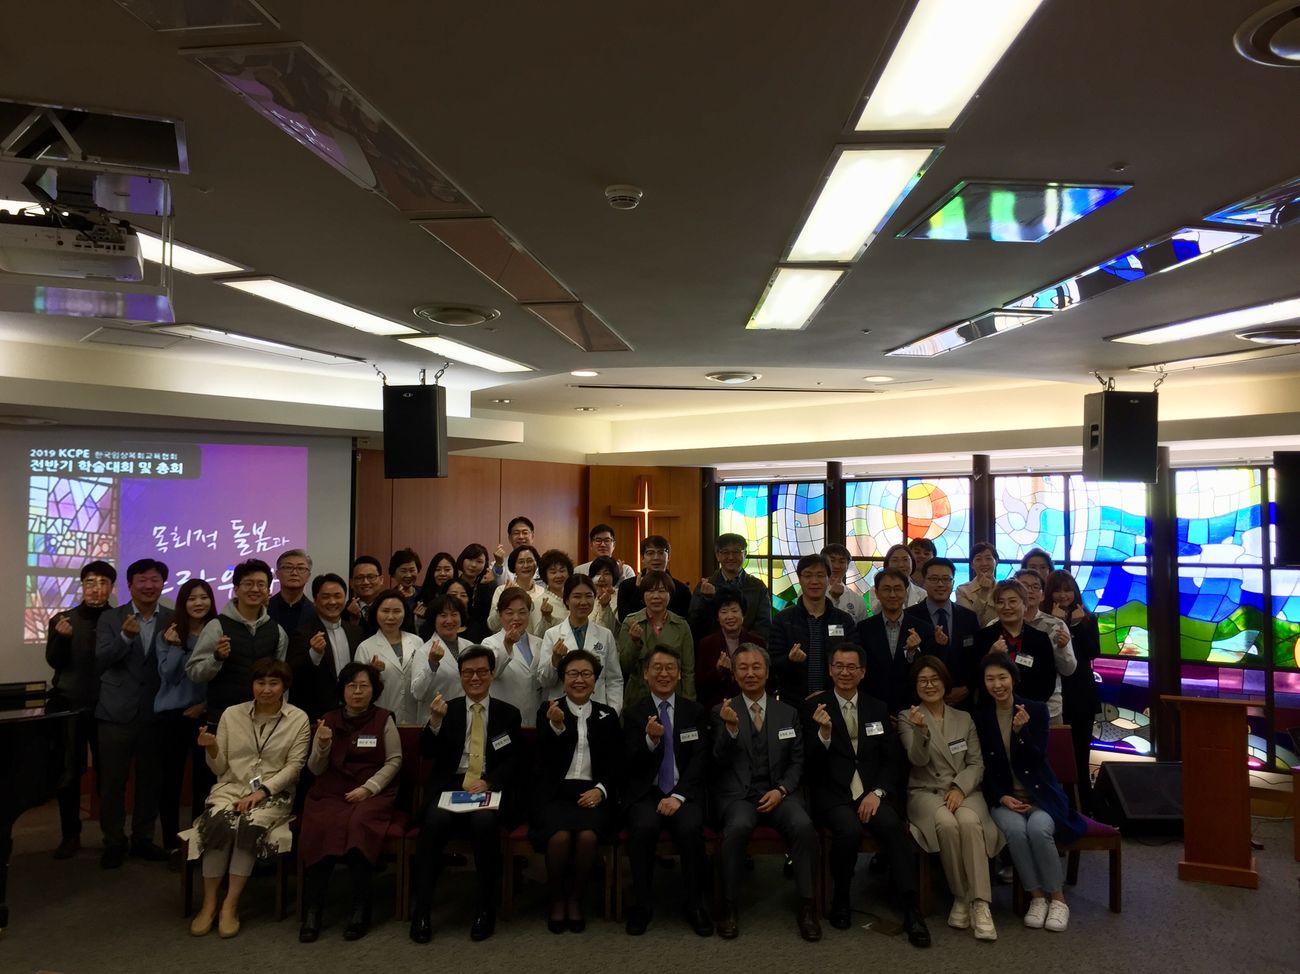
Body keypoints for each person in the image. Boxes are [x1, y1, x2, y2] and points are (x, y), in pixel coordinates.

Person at [805, 644, 929, 947]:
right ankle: (841, 897)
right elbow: (808, 763)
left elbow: (891, 760)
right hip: (833, 794)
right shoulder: (814, 707)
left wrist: (878, 792)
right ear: (830, 670)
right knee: (847, 830)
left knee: (893, 827)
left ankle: (911, 907)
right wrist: (823, 735)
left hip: (871, 792)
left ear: (862, 672)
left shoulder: (877, 707)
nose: (845, 672)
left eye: (852, 667)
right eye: (839, 666)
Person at [184, 658, 310, 938]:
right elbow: (219, 768)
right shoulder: (232, 714)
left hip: (273, 794)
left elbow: (294, 767)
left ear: (284, 686)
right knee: (218, 822)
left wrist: (261, 792)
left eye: (273, 683)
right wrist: (211, 748)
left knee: (247, 825)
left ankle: (230, 905)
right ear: (252, 685)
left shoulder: (298, 718)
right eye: (260, 682)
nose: (266, 689)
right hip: (230, 789)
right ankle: (209, 903)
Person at [410, 646, 522, 943]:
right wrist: (435, 722)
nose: (475, 678)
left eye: (481, 671)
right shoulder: (447, 709)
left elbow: (513, 760)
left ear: (492, 674)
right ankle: (422, 909)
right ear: (460, 676)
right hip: (450, 787)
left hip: (487, 787)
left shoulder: (508, 714)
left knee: (484, 824)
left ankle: (485, 908)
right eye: (468, 672)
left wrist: (490, 781)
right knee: (433, 823)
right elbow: (427, 752)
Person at [711, 644, 819, 942]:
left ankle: (808, 905)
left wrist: (781, 790)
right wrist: (730, 730)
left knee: (803, 825)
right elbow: (716, 762)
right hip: (740, 795)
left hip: (780, 792)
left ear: (768, 672)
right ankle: (729, 905)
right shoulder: (722, 710)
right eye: (743, 667)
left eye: (756, 667)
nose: (750, 673)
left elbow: (798, 761)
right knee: (737, 827)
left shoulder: (788, 713)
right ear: (734, 674)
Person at [974, 652, 1085, 933]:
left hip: (1040, 797)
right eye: (990, 679)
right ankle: (1036, 897)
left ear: (1013, 678)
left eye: (1002, 677)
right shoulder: (981, 717)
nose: (997, 685)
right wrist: (1002, 797)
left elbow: (1037, 760)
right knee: (1015, 830)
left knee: (1038, 829)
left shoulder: (1035, 710)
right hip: (1005, 799)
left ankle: (1057, 899)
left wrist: (1021, 732)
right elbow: (983, 767)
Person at [897, 655, 1002, 942]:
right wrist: (921, 731)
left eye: (935, 679)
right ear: (915, 686)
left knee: (968, 821)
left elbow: (976, 763)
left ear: (945, 682)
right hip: (925, 791)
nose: (929, 685)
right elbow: (917, 760)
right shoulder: (908, 717)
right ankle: (960, 895)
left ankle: (980, 903)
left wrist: (959, 788)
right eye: (923, 681)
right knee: (946, 822)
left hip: (964, 790)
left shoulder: (964, 718)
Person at [299, 661, 401, 943]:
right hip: (331, 791)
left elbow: (394, 761)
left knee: (359, 825)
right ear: (342, 690)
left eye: (363, 686)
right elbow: (316, 769)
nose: (357, 692)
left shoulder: (384, 718)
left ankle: (360, 910)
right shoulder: (328, 719)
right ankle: (313, 910)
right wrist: (322, 744)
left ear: (374, 690)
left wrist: (369, 789)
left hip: (373, 791)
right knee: (321, 825)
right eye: (351, 686)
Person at [621, 648, 713, 937]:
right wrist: (650, 741)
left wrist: (678, 796)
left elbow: (700, 759)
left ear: (679, 674)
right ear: (646, 674)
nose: (664, 674)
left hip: (683, 791)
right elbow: (629, 763)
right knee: (643, 827)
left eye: (670, 668)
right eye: (657, 668)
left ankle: (694, 905)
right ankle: (642, 905)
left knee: (690, 828)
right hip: (646, 792)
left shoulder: (694, 711)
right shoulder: (634, 713)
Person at [532, 649, 622, 933]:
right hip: (556, 793)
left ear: (595, 681)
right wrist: (558, 725)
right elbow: (543, 759)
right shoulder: (548, 710)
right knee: (559, 836)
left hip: (593, 793)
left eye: (586, 674)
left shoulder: (608, 715)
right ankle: (557, 898)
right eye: (573, 674)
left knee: (587, 836)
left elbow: (617, 765)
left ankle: (576, 898)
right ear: (563, 679)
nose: (579, 680)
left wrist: (601, 790)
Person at [94, 557, 173, 868]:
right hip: (115, 712)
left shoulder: (171, 618)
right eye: (142, 580)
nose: (149, 586)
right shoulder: (111, 618)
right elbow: (100, 660)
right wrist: (126, 638)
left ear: (163, 584)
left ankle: (143, 838)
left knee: (150, 782)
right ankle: (114, 841)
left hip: (155, 712)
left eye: (155, 580)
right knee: (112, 783)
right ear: (130, 585)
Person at [45, 559, 115, 859]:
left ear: (112, 588)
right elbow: (55, 662)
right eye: (90, 582)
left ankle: (111, 838)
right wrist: (62, 639)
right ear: (82, 586)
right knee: (69, 773)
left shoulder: (119, 619)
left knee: (108, 774)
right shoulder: (63, 619)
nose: (96, 589)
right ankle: (70, 835)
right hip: (69, 707)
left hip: (108, 708)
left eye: (103, 583)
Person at [155, 578, 216, 863]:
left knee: (205, 783)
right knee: (170, 781)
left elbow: (222, 677)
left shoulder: (218, 632)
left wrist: (204, 706)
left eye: (203, 597)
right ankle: (171, 843)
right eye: (192, 598)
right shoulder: (169, 633)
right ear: (183, 603)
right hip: (173, 716)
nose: (198, 603)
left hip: (205, 715)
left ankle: (199, 842)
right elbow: (168, 675)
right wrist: (176, 646)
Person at [186, 559, 289, 722]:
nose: (255, 589)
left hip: (264, 719)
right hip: (223, 718)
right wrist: (216, 658)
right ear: (236, 589)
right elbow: (194, 673)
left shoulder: (277, 631)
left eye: (261, 584)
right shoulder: (217, 626)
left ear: (268, 590)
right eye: (248, 583)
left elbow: (282, 680)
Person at [1044, 569, 1102, 812]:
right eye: (1057, 590)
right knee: (1055, 752)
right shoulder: (1043, 620)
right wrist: (1056, 622)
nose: (1063, 595)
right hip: (1054, 694)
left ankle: (1083, 806)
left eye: (1068, 590)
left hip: (1081, 695)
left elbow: (1091, 653)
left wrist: (1075, 626)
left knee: (1080, 752)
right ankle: (1058, 804)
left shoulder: (1088, 619)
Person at [769, 553, 857, 711]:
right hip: (792, 704)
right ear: (799, 579)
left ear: (829, 579)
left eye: (820, 575)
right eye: (808, 575)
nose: (814, 581)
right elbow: (772, 663)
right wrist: (790, 659)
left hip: (835, 702)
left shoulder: (844, 620)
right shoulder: (783, 619)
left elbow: (855, 661)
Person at [538, 573, 623, 713]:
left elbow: (614, 680)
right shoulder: (552, 634)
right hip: (562, 712)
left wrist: (613, 712)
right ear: (566, 600)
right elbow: (545, 681)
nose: (583, 602)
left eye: (588, 596)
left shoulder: (605, 635)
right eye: (577, 596)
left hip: (598, 712)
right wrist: (555, 660)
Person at [288, 574, 365, 723]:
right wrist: (314, 654)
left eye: (338, 596)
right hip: (317, 714)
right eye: (325, 597)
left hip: (353, 711)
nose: (332, 602)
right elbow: (293, 674)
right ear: (315, 601)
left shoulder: (355, 631)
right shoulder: (303, 633)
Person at [906, 556, 981, 707]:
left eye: (946, 579)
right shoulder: (910, 616)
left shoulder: (969, 617)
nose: (940, 584)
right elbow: (907, 661)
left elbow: (976, 658)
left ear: (953, 582)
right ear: (924, 581)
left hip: (962, 700)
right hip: (921, 700)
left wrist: (967, 687)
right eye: (934, 579)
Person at [859, 568, 935, 715]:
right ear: (877, 593)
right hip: (873, 707)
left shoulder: (924, 628)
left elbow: (929, 669)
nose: (892, 595)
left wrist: (912, 653)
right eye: (886, 589)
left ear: (905, 592)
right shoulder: (864, 628)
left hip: (913, 708)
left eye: (898, 589)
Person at [972, 580, 1058, 707]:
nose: (1006, 607)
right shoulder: (983, 637)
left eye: (1012, 601)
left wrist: (1027, 707)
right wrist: (990, 656)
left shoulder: (1040, 639)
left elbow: (1048, 681)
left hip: (1030, 708)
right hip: (991, 709)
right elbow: (973, 678)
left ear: (1025, 605)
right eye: (1000, 602)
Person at [618, 570, 695, 710]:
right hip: (638, 698)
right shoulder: (630, 622)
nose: (656, 596)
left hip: (672, 696)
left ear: (670, 595)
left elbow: (688, 671)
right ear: (642, 596)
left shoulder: (681, 625)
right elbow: (624, 666)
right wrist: (634, 643)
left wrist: (688, 704)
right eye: (650, 591)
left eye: (662, 591)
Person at [354, 589, 425, 724]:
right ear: (376, 613)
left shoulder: (417, 642)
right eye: (385, 611)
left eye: (397, 611)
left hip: (414, 718)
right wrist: (372, 672)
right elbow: (359, 690)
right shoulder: (365, 647)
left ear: (405, 613)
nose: (391, 617)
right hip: (379, 719)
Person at [1014, 568, 1077, 722]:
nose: (1029, 591)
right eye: (1023, 586)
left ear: (1042, 595)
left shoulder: (1056, 625)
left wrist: (1062, 648)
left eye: (1035, 587)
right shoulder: (997, 624)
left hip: (1049, 708)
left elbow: (1068, 670)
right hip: (1007, 706)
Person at [689, 533, 771, 643]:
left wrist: (744, 646)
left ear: (745, 554)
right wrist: (707, 599)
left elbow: (764, 625)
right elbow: (694, 625)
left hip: (750, 649)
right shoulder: (705, 586)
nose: (731, 557)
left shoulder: (758, 587)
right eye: (725, 552)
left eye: (736, 552)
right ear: (717, 555)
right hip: (713, 647)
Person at [481, 587, 543, 727]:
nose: (516, 618)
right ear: (500, 615)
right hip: (503, 719)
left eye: (522, 612)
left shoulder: (539, 643)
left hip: (534, 718)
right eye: (509, 613)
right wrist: (507, 645)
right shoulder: (489, 643)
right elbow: (492, 673)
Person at [693, 589, 756, 710]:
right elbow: (699, 683)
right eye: (724, 612)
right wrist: (718, 671)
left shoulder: (756, 642)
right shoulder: (706, 644)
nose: (730, 616)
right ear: (717, 617)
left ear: (743, 614)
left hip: (750, 706)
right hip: (716, 708)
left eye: (734, 611)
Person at [410, 593, 475, 704]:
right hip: (436, 712)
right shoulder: (423, 651)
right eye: (443, 615)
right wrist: (432, 664)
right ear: (433, 619)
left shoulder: (470, 647)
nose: (449, 620)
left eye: (454, 614)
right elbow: (417, 693)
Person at [616, 535, 691, 621]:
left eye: (661, 552)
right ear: (642, 558)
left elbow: (683, 621)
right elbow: (624, 619)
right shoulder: (626, 586)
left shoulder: (681, 589)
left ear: (668, 557)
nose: (656, 558)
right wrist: (639, 592)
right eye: (650, 553)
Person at [487, 544, 544, 632]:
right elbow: (492, 625)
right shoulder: (501, 590)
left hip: (535, 640)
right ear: (514, 566)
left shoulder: (543, 592)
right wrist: (504, 600)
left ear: (536, 564)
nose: (526, 565)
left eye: (530, 561)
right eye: (521, 562)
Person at [267, 549, 316, 634]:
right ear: (277, 574)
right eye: (288, 567)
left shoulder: (316, 612)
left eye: (300, 568)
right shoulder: (264, 609)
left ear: (308, 576)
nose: (294, 573)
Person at [867, 544, 926, 614]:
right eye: (895, 560)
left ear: (912, 562)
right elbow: (876, 612)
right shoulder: (876, 590)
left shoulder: (923, 593)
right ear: (887, 564)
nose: (901, 565)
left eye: (905, 559)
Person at [454, 543, 496, 632]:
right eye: (470, 559)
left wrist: (483, 587)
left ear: (485, 565)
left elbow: (485, 616)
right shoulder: (453, 584)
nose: (473, 565)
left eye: (479, 561)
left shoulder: (489, 585)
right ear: (462, 559)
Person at [957, 542, 1001, 627]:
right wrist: (983, 593)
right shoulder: (962, 590)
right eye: (978, 559)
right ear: (972, 565)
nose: (984, 563)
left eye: (988, 558)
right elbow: (968, 623)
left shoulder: (1005, 588)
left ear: (996, 561)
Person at [822, 543, 867, 624]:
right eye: (832, 561)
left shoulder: (857, 599)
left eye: (842, 562)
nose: (836, 566)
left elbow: (862, 629)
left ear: (847, 565)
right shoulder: (811, 592)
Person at [535, 548, 575, 636]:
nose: (559, 575)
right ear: (545, 575)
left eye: (562, 570)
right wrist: (546, 618)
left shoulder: (575, 598)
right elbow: (537, 636)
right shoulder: (538, 602)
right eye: (553, 572)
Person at [412, 551, 455, 627]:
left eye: (447, 569)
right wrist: (419, 619)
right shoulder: (423, 598)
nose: (442, 573)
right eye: (438, 569)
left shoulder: (459, 595)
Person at [491, 515, 536, 584]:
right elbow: (496, 582)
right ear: (509, 538)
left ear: (532, 536)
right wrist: (499, 564)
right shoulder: (498, 564)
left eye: (525, 533)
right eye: (516, 533)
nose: (521, 537)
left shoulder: (542, 564)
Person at [345, 556, 385, 632]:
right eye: (359, 578)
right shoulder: (344, 611)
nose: (365, 582)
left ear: (381, 580)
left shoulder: (390, 608)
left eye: (371, 577)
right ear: (351, 583)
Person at [389, 548, 423, 628]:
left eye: (412, 570)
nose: (408, 575)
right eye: (403, 571)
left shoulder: (424, 593)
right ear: (393, 574)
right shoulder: (389, 598)